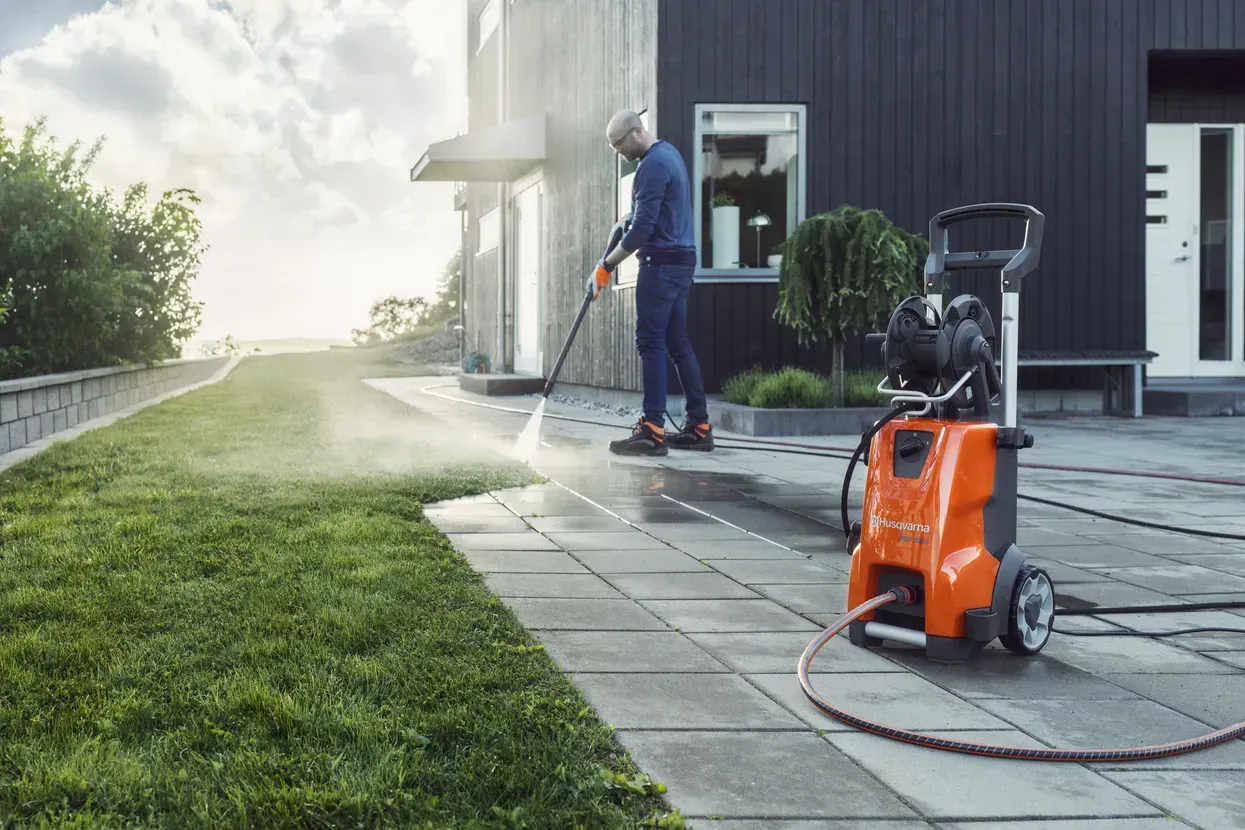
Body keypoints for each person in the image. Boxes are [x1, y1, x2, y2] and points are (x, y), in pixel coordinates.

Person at [588, 110, 713, 456]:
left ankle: (652, 430)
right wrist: (629, 218)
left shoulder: (651, 165)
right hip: (682, 261)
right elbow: (658, 213)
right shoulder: (669, 154)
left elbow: (643, 230)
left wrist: (605, 266)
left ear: (636, 132)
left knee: (650, 342)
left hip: (660, 266)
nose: (618, 152)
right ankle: (699, 427)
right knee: (676, 343)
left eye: (618, 144)